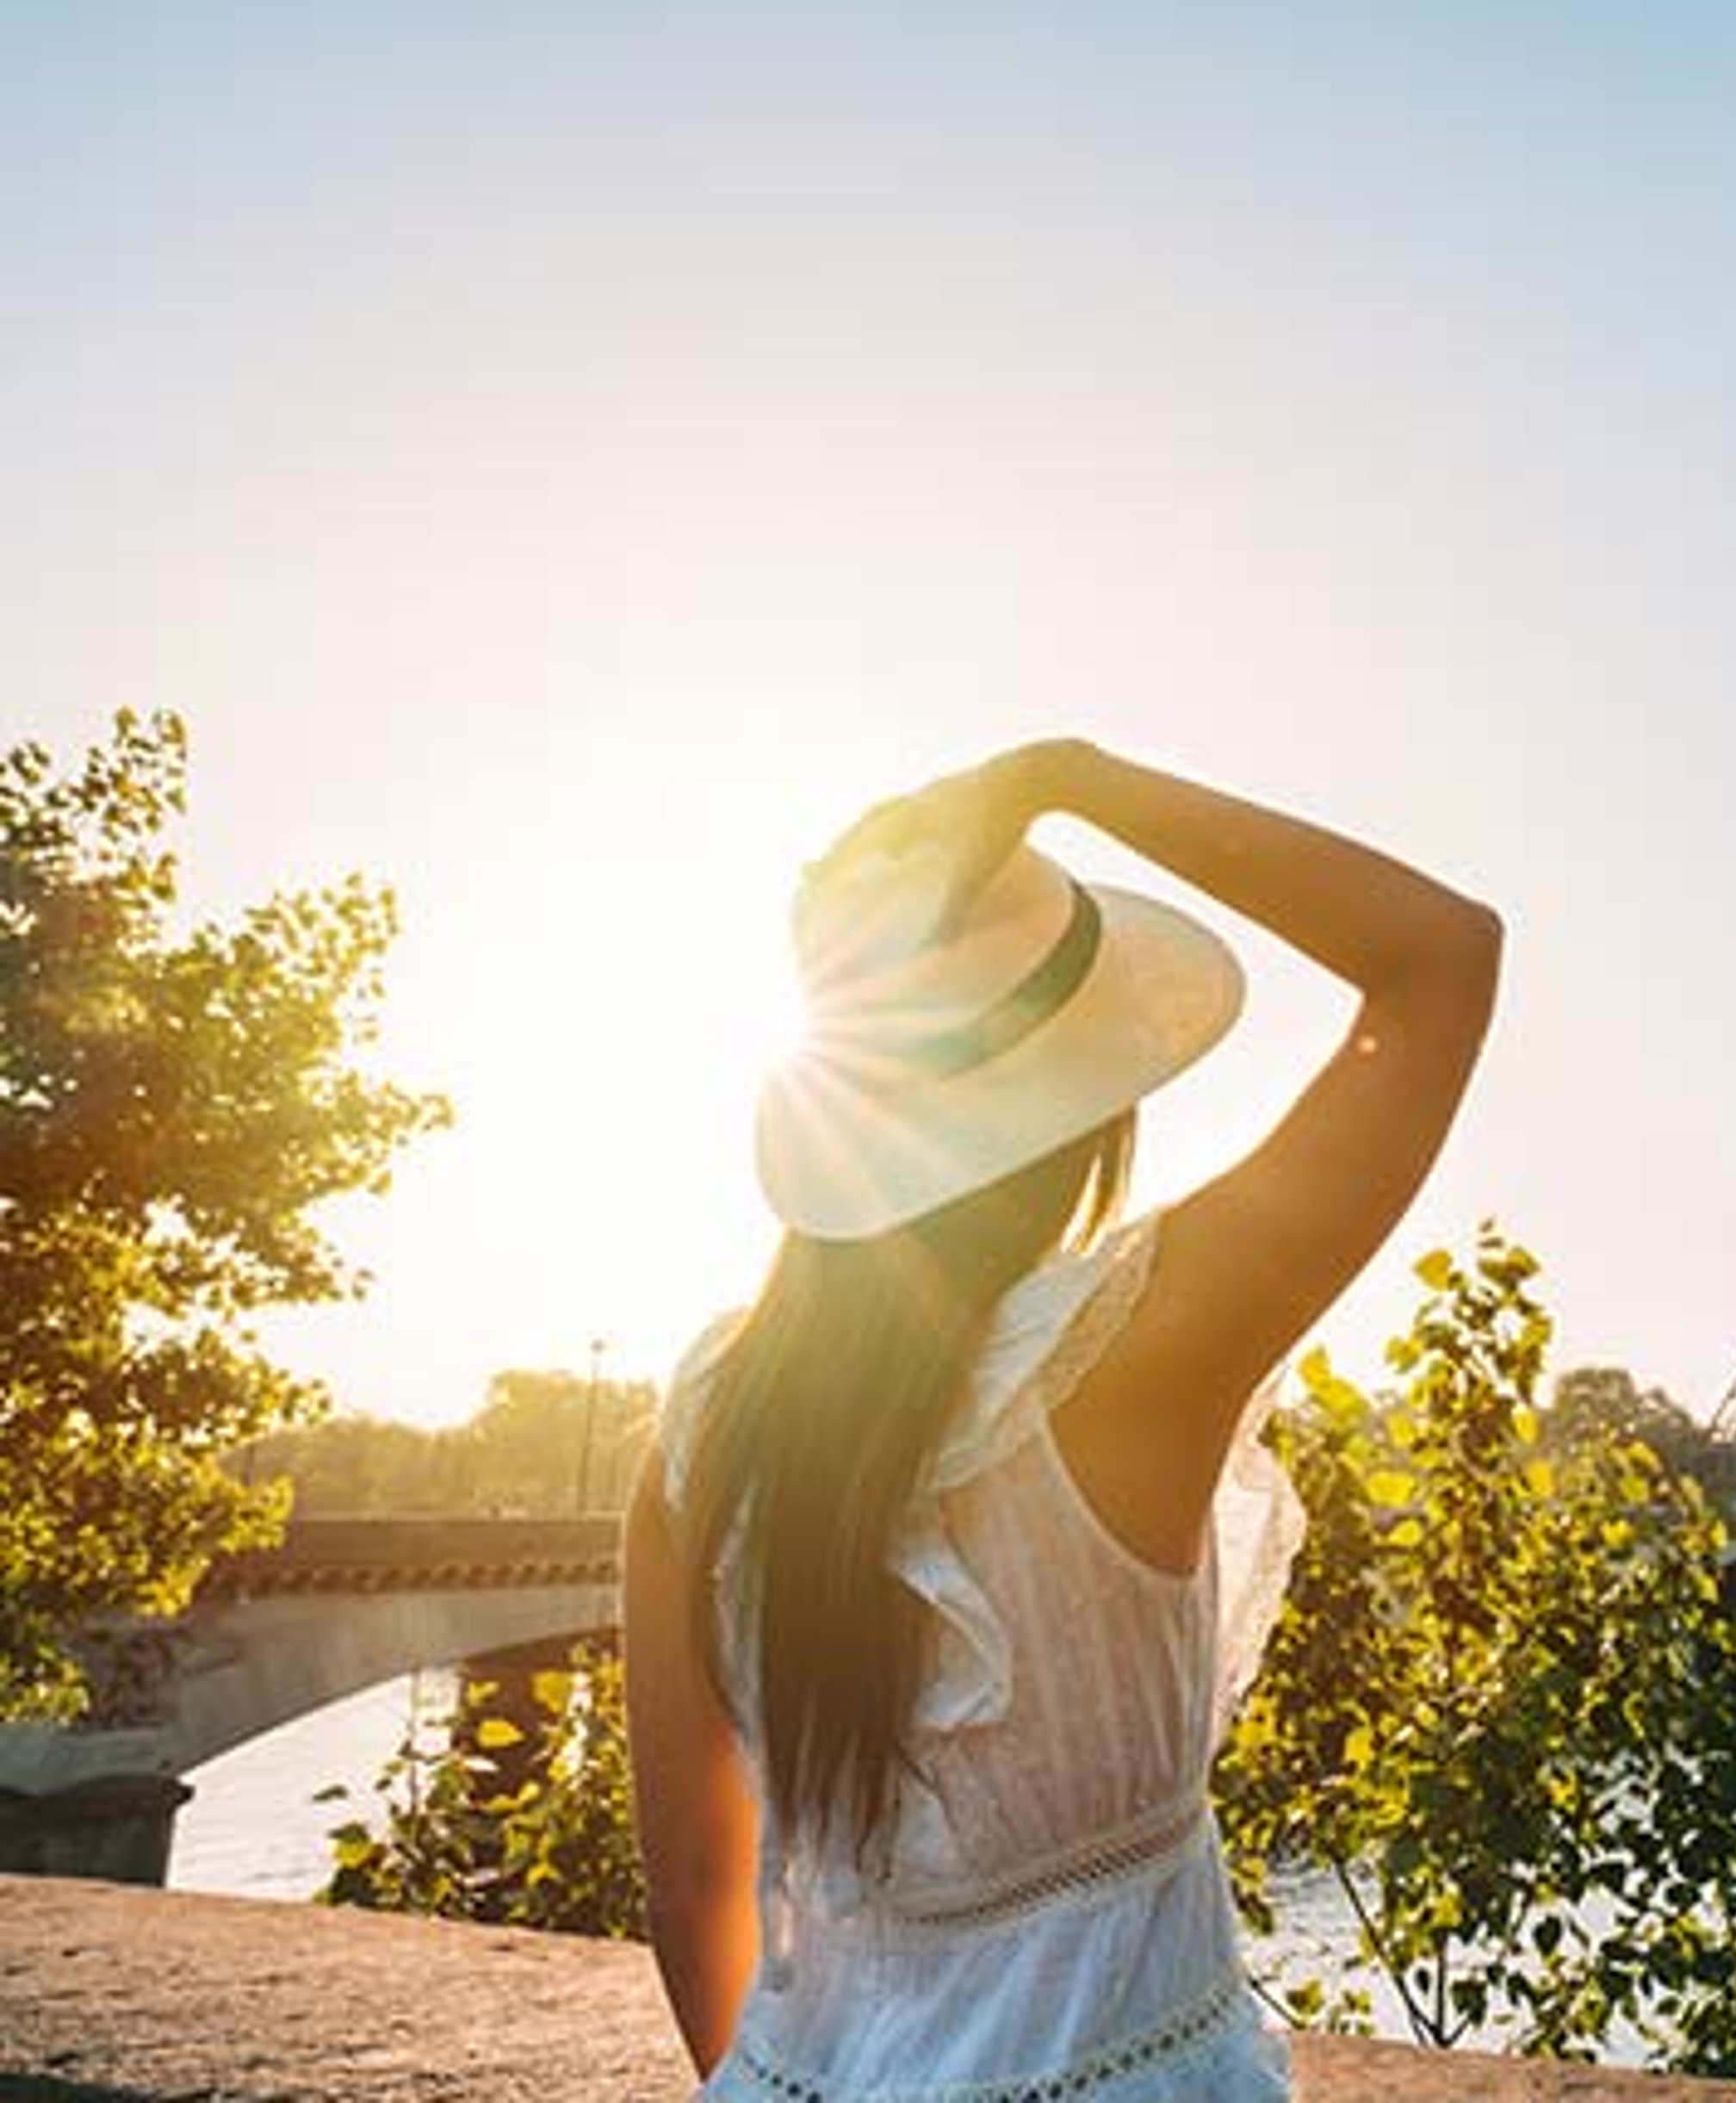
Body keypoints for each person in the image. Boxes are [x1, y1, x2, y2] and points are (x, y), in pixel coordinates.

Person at [619, 736, 1500, 2100]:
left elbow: (692, 1879)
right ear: (1088, 1108)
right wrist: (1072, 776)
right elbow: (1440, 960)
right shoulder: (1137, 1347)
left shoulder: (705, 1427)